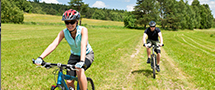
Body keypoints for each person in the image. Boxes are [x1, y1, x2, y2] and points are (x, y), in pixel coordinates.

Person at [34, 9, 94, 90]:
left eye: (72, 22)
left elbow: (83, 44)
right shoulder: (64, 32)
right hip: (74, 55)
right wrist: (40, 58)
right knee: (69, 80)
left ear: (76, 21)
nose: (69, 25)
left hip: (87, 54)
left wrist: (82, 61)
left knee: (79, 71)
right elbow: (53, 44)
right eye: (67, 22)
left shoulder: (83, 30)